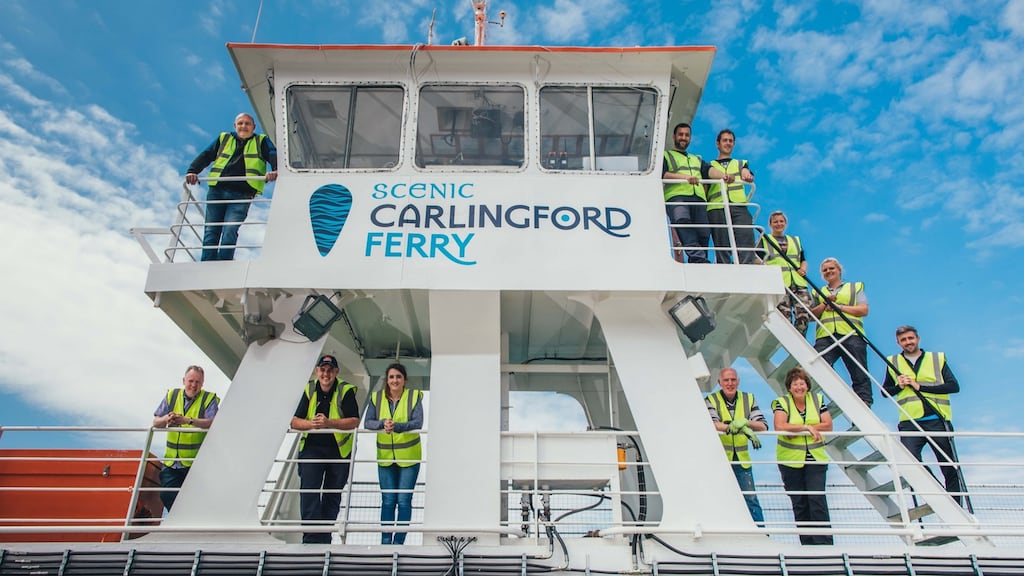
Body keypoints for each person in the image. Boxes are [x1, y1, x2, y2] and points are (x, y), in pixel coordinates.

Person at [881, 326, 965, 504]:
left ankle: (956, 505)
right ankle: (939, 493)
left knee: (949, 467)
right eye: (903, 340)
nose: (908, 342)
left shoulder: (937, 359)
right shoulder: (893, 362)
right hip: (909, 422)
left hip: (937, 420)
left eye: (910, 338)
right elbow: (884, 392)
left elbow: (954, 386)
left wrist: (919, 386)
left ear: (917, 339)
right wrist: (899, 386)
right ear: (898, 343)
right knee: (910, 461)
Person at [185, 112, 278, 261]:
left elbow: (273, 154)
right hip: (217, 190)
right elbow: (206, 155)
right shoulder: (224, 138)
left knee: (230, 228)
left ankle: (223, 264)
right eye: (240, 123)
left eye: (247, 123)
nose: (244, 126)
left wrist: (275, 170)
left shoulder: (261, 141)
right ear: (235, 126)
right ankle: (207, 265)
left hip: (242, 194)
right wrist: (192, 171)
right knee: (211, 229)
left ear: (253, 127)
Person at [291, 354, 360, 544]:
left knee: (333, 493)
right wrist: (312, 424)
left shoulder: (345, 390)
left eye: (330, 370)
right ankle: (311, 538)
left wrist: (329, 423)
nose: (326, 374)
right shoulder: (309, 389)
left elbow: (354, 421)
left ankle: (324, 536)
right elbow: (294, 421)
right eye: (322, 370)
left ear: (336, 372)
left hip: (338, 450)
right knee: (309, 491)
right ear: (317, 371)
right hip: (312, 448)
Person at [773, 366, 834, 545]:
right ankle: (807, 544)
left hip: (815, 458)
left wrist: (796, 428)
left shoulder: (817, 400)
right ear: (789, 387)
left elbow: (828, 425)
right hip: (790, 461)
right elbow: (780, 426)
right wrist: (807, 427)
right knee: (799, 502)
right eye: (795, 384)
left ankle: (824, 544)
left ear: (807, 385)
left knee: (817, 499)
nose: (799, 387)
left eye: (802, 383)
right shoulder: (781, 402)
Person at [365, 363, 424, 544]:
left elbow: (418, 422)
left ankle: (399, 541)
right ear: (387, 380)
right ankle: (385, 542)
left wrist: (397, 426)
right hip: (385, 458)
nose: (395, 380)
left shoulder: (414, 396)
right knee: (388, 500)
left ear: (404, 380)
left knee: (404, 500)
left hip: (409, 457)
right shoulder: (376, 398)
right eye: (391, 377)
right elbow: (368, 422)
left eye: (398, 376)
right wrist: (382, 423)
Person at [704, 367, 768, 525]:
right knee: (720, 497)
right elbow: (712, 424)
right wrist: (735, 427)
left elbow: (763, 426)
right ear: (719, 382)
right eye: (726, 380)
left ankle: (762, 533)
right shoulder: (711, 400)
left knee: (750, 499)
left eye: (733, 380)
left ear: (738, 382)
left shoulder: (748, 399)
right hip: (720, 459)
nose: (730, 383)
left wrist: (745, 422)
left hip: (742, 460)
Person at [152, 365, 219, 512]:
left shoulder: (208, 399)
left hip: (195, 463)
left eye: (198, 382)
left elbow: (213, 422)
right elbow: (156, 422)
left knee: (196, 500)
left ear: (202, 384)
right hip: (172, 461)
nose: (194, 385)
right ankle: (180, 520)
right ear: (184, 381)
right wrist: (166, 419)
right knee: (166, 495)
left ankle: (187, 521)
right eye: (191, 381)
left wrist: (187, 420)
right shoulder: (172, 395)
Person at [809, 257, 873, 406]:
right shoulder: (818, 292)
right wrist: (825, 304)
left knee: (858, 371)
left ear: (839, 270)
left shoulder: (855, 287)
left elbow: (864, 310)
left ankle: (864, 401)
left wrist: (839, 307)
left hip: (851, 334)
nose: (828, 271)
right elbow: (811, 315)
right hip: (825, 335)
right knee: (817, 366)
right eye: (825, 270)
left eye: (831, 268)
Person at [706, 129, 757, 264]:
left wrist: (747, 174)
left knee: (745, 237)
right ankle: (724, 267)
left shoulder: (741, 164)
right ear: (718, 144)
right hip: (717, 206)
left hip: (738, 206)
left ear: (734, 144)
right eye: (725, 140)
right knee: (721, 242)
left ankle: (747, 267)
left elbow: (747, 172)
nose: (728, 143)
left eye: (730, 141)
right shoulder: (709, 165)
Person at [663, 123, 711, 263]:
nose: (683, 137)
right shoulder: (666, 155)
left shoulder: (696, 159)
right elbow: (663, 174)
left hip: (698, 198)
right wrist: (685, 178)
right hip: (677, 196)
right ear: (674, 137)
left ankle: (700, 261)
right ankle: (697, 257)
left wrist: (725, 176)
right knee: (682, 222)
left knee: (704, 232)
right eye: (681, 134)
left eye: (687, 135)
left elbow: (709, 170)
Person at [760, 211, 813, 336]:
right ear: (770, 225)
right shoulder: (764, 240)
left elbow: (803, 259)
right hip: (779, 283)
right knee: (785, 316)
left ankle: (799, 337)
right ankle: (790, 337)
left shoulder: (795, 240)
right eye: (775, 222)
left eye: (781, 221)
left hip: (798, 282)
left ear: (785, 223)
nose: (779, 224)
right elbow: (757, 259)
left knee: (804, 313)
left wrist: (803, 268)